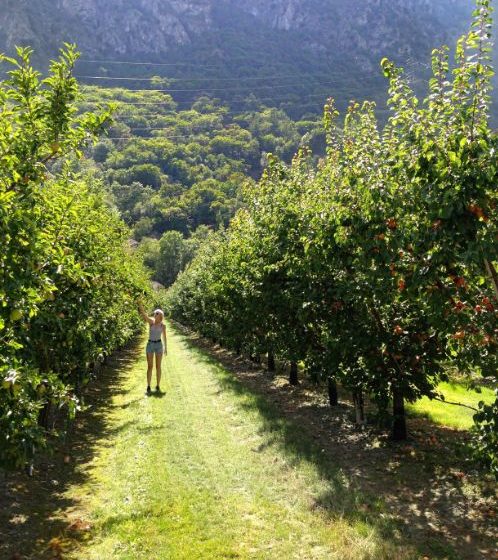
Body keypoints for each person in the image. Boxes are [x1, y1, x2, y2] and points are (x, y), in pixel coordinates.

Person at [138, 302, 167, 394]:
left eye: (157, 314)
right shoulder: (151, 322)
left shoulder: (163, 326)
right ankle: (148, 386)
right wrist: (140, 305)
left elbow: (164, 337)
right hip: (150, 345)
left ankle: (158, 385)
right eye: (155, 313)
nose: (155, 315)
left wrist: (166, 348)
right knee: (150, 366)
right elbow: (144, 315)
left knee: (158, 366)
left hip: (158, 345)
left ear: (161, 316)